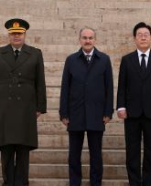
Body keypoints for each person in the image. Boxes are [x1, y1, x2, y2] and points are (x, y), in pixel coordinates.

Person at [0, 18, 46, 186]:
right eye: (13, 34)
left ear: (25, 34)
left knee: (23, 149)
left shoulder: (35, 53)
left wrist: (40, 106)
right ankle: (8, 181)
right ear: (9, 35)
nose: (16, 36)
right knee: (6, 149)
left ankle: (21, 182)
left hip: (26, 106)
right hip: (4, 107)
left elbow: (40, 82)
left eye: (19, 33)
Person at [117, 22, 151, 186]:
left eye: (146, 34)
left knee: (150, 150)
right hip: (131, 113)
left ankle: (148, 182)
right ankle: (134, 182)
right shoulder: (127, 60)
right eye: (139, 34)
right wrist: (121, 106)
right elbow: (122, 85)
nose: (143, 37)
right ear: (134, 38)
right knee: (132, 151)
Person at [60, 27, 113, 186]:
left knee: (96, 154)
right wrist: (64, 113)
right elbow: (65, 87)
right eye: (84, 38)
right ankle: (75, 183)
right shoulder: (71, 60)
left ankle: (95, 183)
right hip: (75, 113)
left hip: (97, 113)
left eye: (90, 38)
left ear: (95, 40)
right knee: (74, 155)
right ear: (79, 40)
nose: (88, 41)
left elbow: (109, 87)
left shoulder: (104, 59)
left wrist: (108, 111)